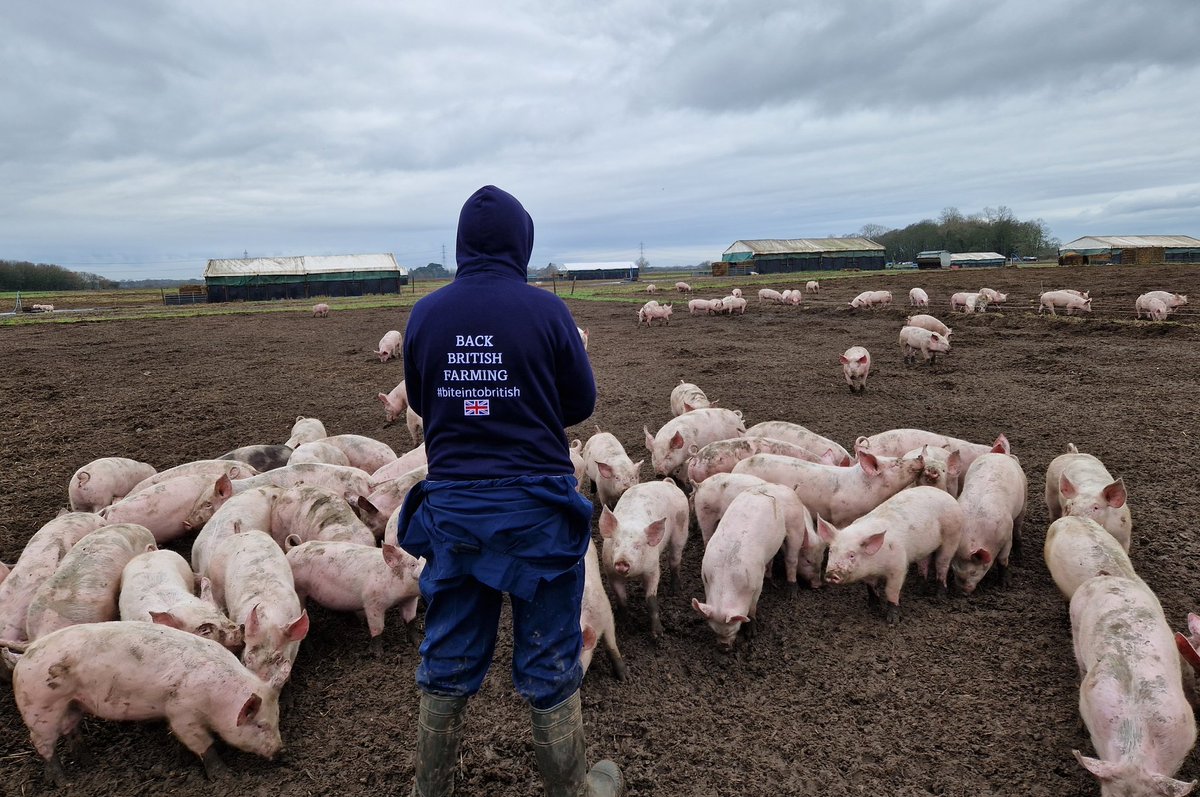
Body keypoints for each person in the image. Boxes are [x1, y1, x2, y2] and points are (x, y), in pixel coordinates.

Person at [397, 185, 624, 797]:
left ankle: (431, 789)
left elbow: (420, 400)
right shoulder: (547, 312)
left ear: (462, 244)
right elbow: (580, 403)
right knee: (550, 653)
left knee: (449, 650)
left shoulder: (426, 314)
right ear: (522, 242)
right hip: (537, 511)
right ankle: (571, 789)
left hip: (457, 508)